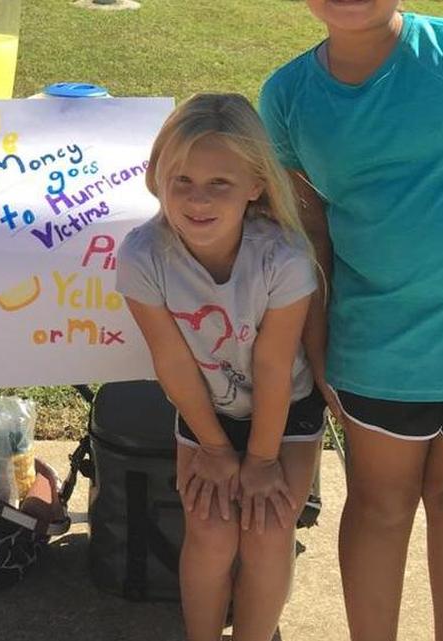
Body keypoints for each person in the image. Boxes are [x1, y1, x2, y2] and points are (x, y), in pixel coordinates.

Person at [259, 3, 443, 640]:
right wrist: (317, 340)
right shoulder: (286, 97)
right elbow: (307, 230)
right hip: (375, 353)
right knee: (379, 507)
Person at [116, 93, 325, 641]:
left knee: (268, 529)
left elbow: (276, 365)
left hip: (285, 413)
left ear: (256, 185)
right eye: (180, 179)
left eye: (219, 184)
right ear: (157, 176)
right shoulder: (143, 256)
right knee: (210, 532)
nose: (196, 199)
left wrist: (258, 460)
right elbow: (172, 359)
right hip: (205, 410)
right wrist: (213, 446)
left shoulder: (284, 260)